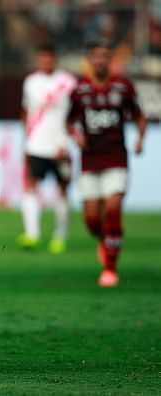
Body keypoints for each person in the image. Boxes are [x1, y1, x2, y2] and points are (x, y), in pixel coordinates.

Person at [67, 38, 146, 287]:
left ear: (109, 60)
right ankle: (107, 241)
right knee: (92, 221)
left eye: (104, 56)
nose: (100, 60)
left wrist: (140, 138)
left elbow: (139, 116)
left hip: (116, 158)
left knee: (112, 211)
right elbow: (70, 121)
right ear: (90, 61)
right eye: (96, 56)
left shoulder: (123, 88)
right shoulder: (80, 91)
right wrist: (76, 134)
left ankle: (110, 268)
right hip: (90, 160)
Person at [16, 43, 77, 254]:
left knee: (62, 189)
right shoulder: (31, 82)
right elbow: (27, 112)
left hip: (60, 146)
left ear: (55, 59)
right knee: (31, 185)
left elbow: (73, 116)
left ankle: (60, 235)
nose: (46, 62)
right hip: (36, 144)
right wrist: (26, 141)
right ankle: (32, 234)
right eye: (42, 58)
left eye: (49, 58)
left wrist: (66, 142)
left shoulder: (68, 82)